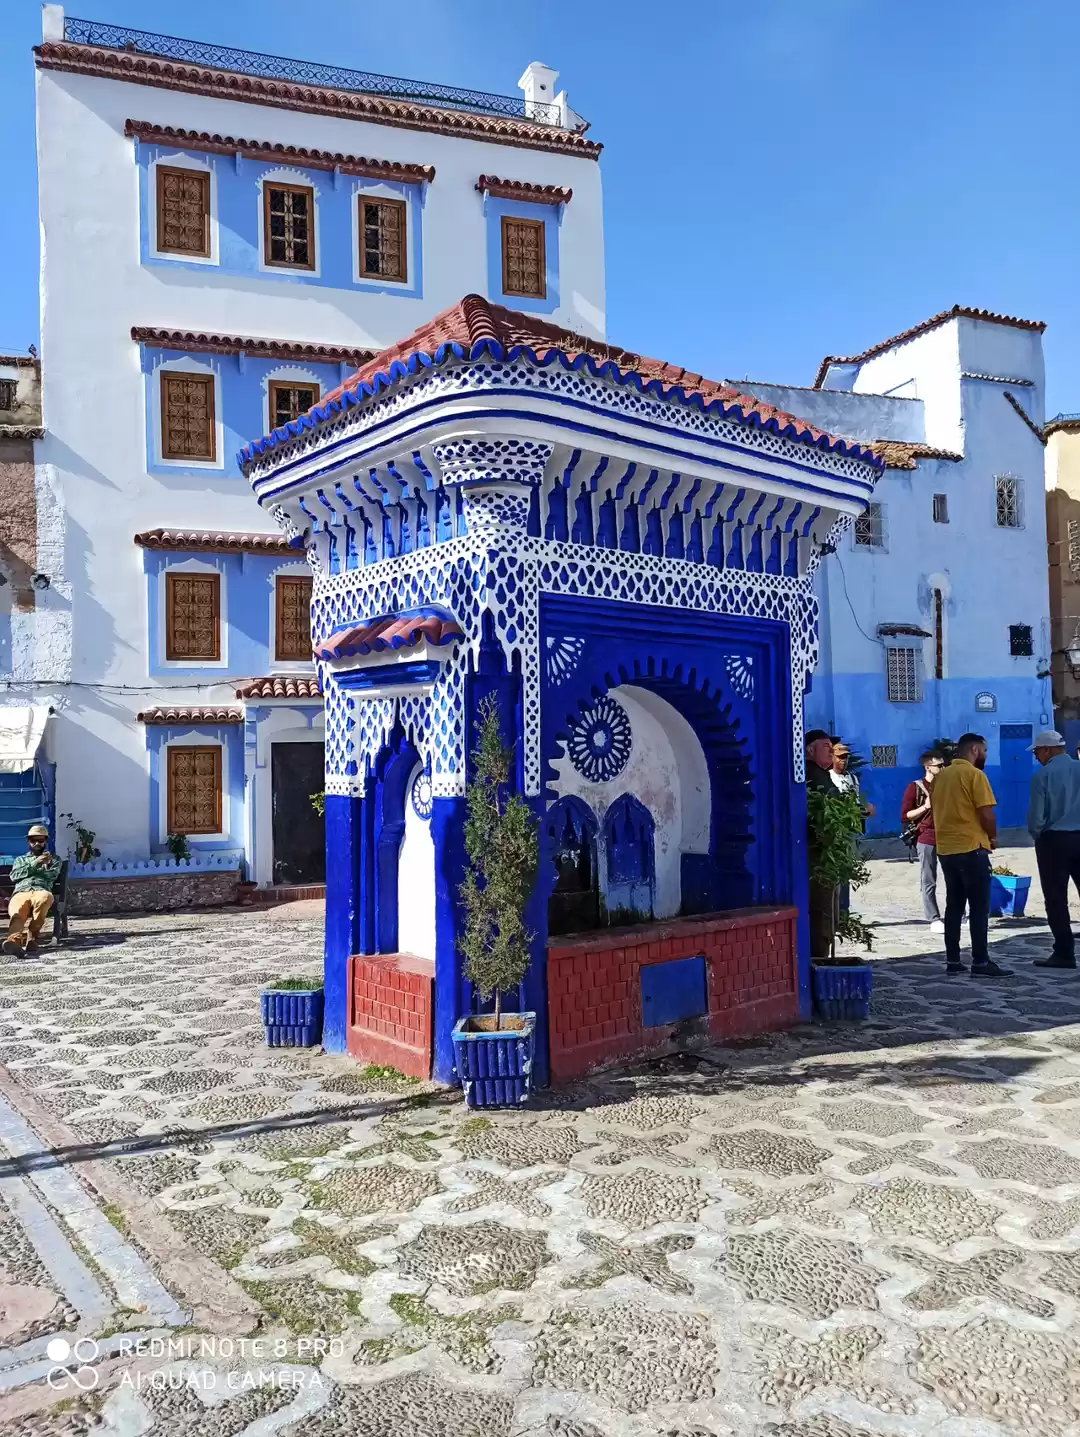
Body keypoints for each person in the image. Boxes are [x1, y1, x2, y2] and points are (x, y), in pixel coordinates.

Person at [930, 733, 1009, 977]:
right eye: (984, 750)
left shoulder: (941, 777)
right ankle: (981, 961)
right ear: (974, 750)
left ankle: (953, 960)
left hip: (946, 849)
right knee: (978, 906)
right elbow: (986, 813)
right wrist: (993, 837)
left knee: (954, 905)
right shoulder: (975, 775)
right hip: (971, 848)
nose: (985, 755)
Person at [1027, 728, 1080, 969]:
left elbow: (1037, 819)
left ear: (1047, 750)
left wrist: (1038, 834)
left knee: (1056, 898)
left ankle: (1064, 953)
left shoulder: (1042, 776)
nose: (1036, 756)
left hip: (1054, 841)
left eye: (1037, 752)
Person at [901, 752, 946, 933]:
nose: (943, 769)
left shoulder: (946, 785)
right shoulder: (915, 787)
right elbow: (905, 815)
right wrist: (925, 806)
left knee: (955, 877)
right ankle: (933, 918)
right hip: (926, 838)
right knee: (929, 879)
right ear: (928, 767)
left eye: (944, 765)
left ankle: (959, 914)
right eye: (939, 766)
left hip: (947, 836)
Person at [830, 739, 875, 913]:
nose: (843, 761)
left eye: (846, 757)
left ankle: (844, 909)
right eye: (840, 757)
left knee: (846, 872)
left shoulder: (852, 778)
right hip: (835, 830)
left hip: (850, 831)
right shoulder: (828, 778)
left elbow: (855, 803)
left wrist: (866, 809)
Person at [4, 824, 62, 957]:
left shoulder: (54, 859)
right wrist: (35, 864)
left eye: (40, 840)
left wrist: (45, 866)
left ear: (45, 841)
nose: (37, 843)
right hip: (21, 891)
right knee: (17, 913)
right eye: (33, 840)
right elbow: (15, 876)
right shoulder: (21, 860)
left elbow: (52, 876)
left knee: (44, 899)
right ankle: (14, 941)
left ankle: (32, 938)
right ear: (28, 841)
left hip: (41, 889)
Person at [805, 730, 837, 957]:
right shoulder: (812, 775)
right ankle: (819, 960)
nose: (831, 749)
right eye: (825, 745)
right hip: (818, 855)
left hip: (825, 854)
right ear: (809, 750)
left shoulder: (822, 774)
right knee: (821, 912)